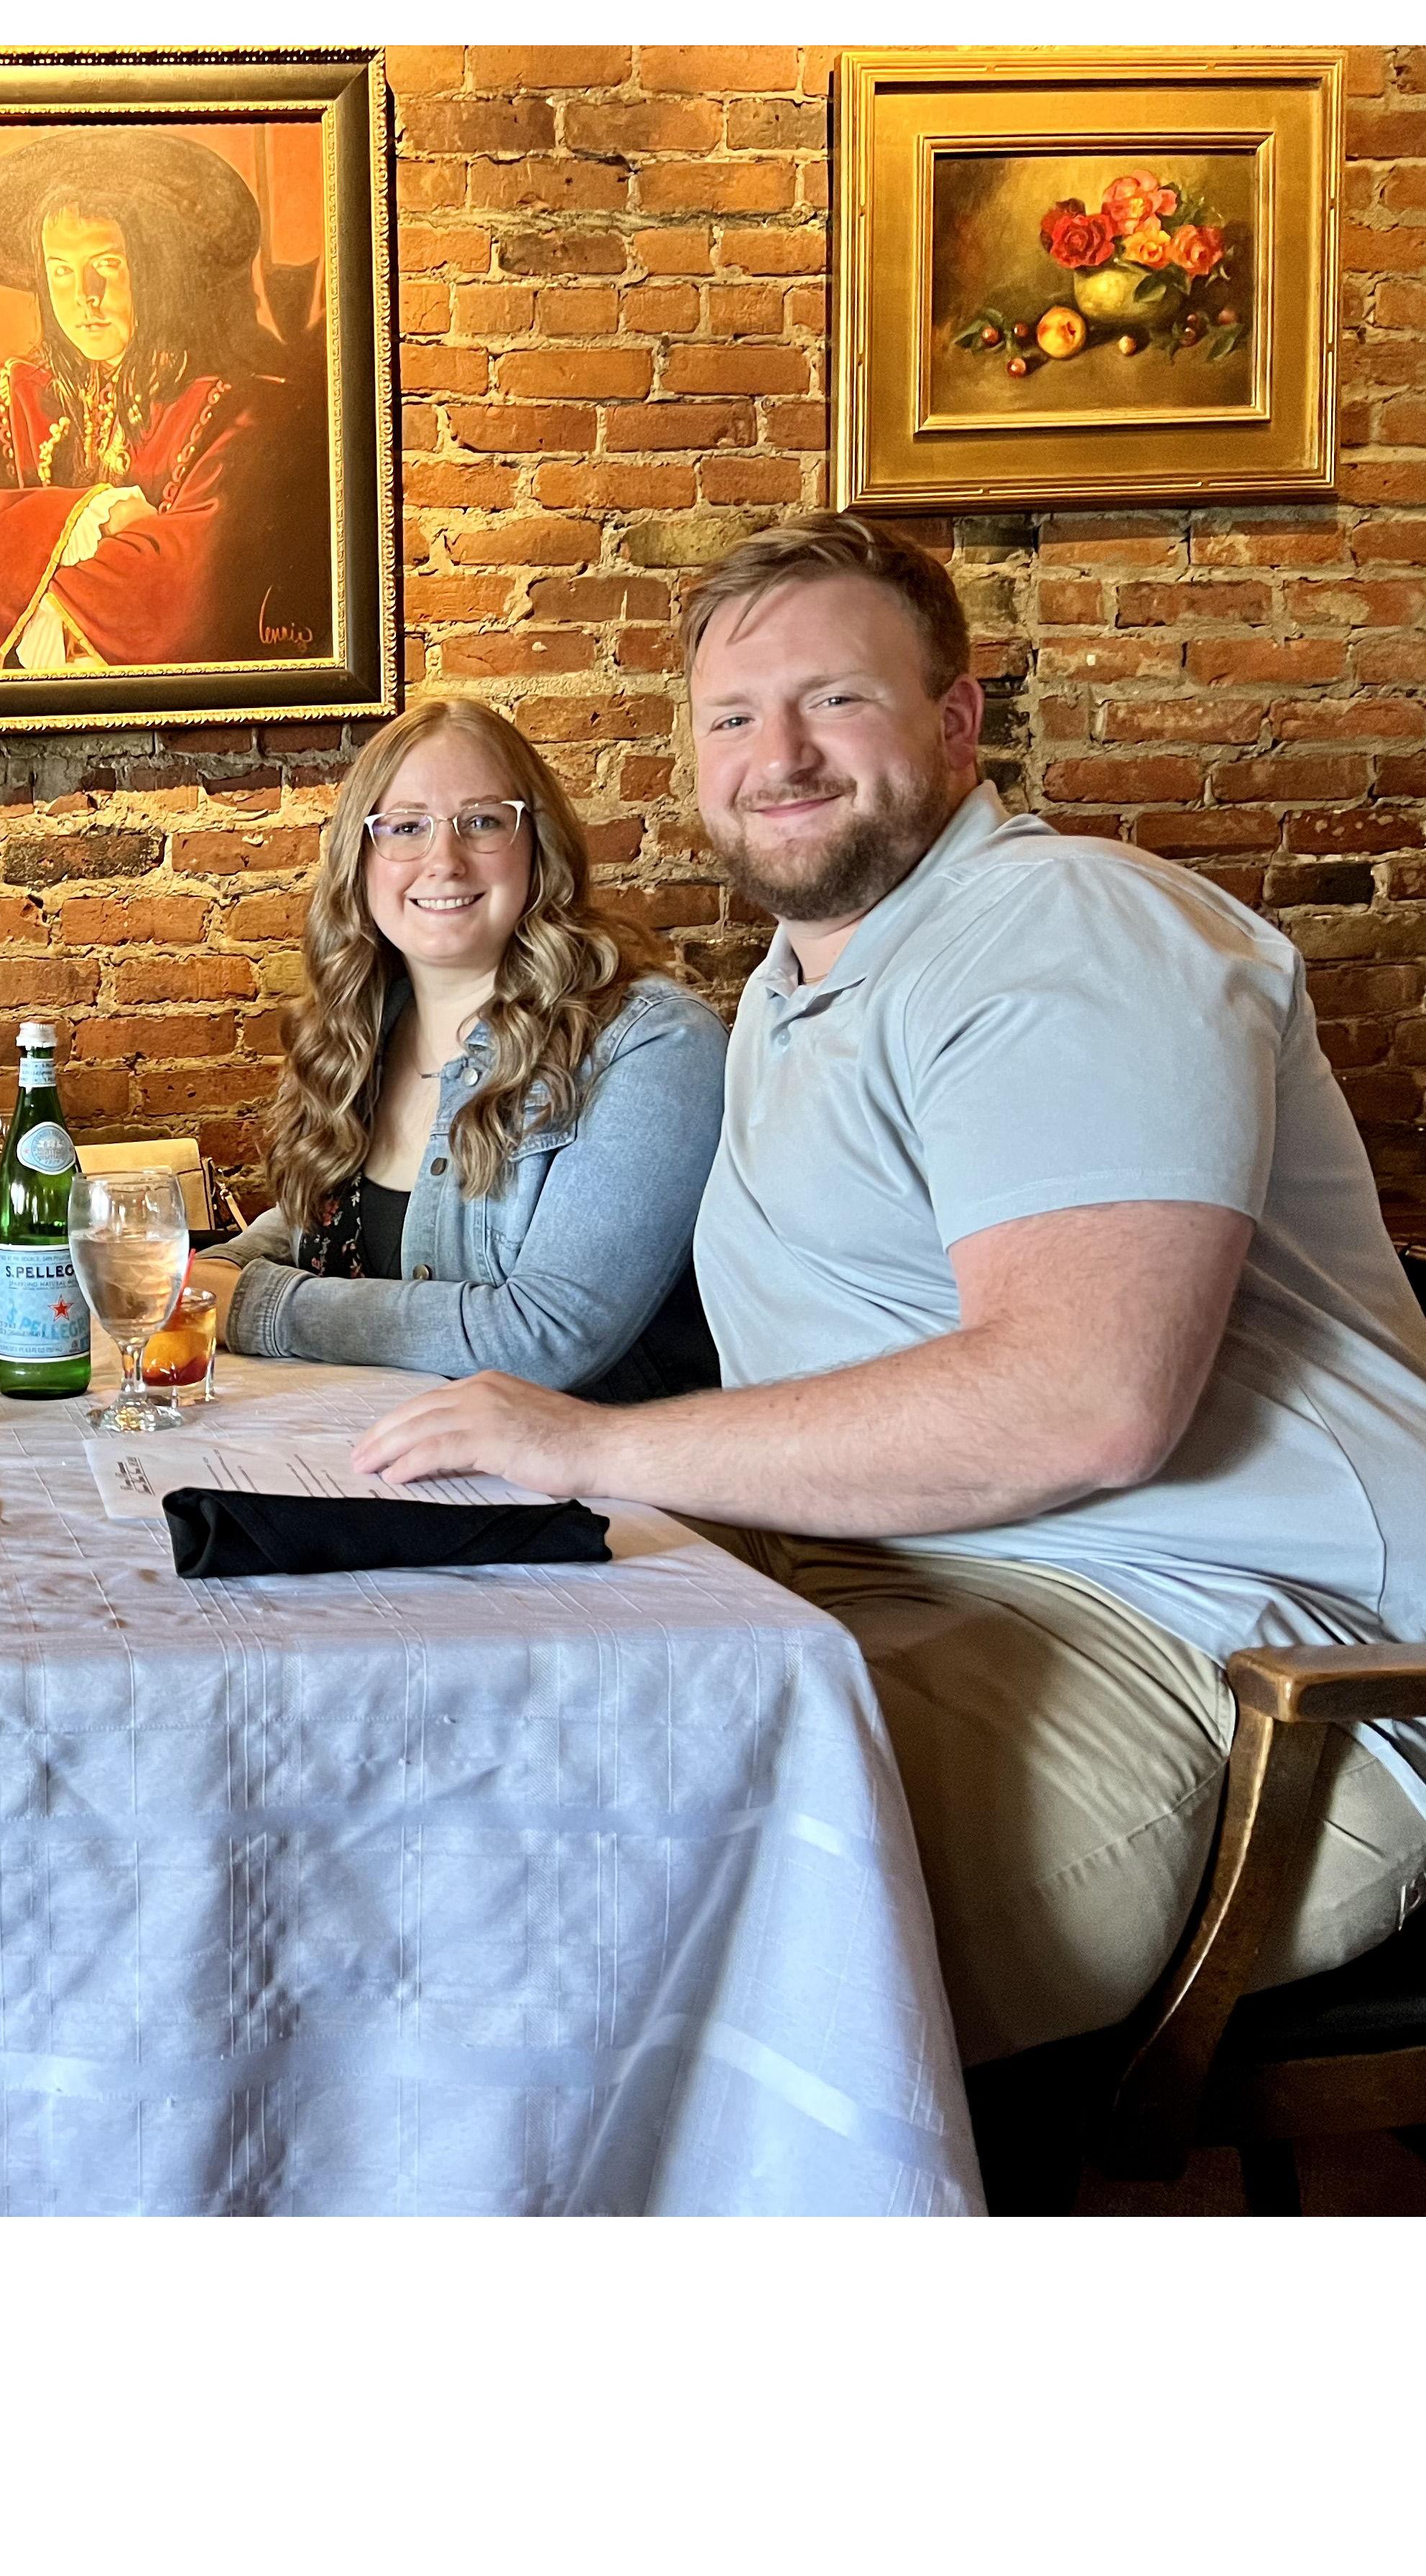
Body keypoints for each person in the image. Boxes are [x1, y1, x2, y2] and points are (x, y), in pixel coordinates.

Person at [350, 512, 1426, 2070]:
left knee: (593, 1956)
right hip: (902, 1587)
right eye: (733, 718)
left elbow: (1084, 1402)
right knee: (447, 1764)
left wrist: (593, 1445)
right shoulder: (797, 992)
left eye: (835, 700)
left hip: (1242, 1660)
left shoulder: (1064, 928)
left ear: (956, 718)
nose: (776, 755)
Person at [198, 694, 724, 1398]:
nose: (443, 861)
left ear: (539, 846)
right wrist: (210, 1272)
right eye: (406, 827)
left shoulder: (651, 1043)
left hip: (584, 1468)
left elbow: (544, 1337)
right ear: (361, 859)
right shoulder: (361, 1032)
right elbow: (323, 1228)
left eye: (482, 822)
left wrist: (251, 1305)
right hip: (374, 1449)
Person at [0, 126, 324, 672]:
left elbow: (188, 588)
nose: (84, 296)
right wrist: (97, 517)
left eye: (107, 264)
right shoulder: (8, 402)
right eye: (61, 271)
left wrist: (18, 577)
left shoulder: (229, 409)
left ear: (152, 272)